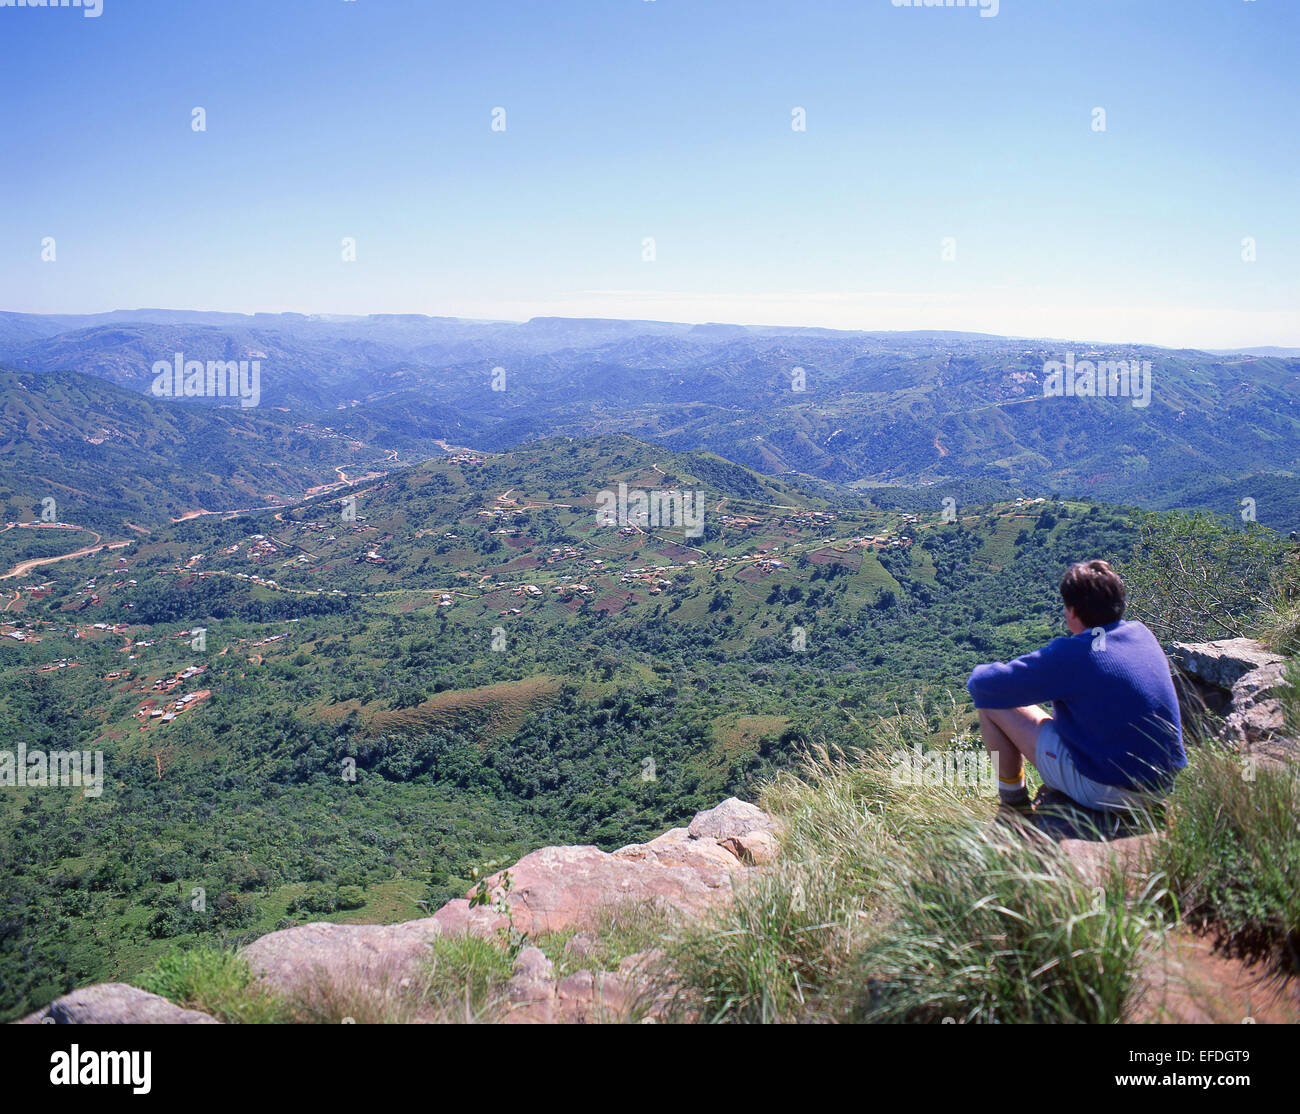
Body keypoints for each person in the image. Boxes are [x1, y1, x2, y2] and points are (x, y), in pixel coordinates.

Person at [966, 559, 1185, 813]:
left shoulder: (1075, 654)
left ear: (1071, 611)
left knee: (993, 705)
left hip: (1109, 792)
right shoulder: (1141, 633)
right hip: (1163, 784)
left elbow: (981, 686)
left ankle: (1014, 806)